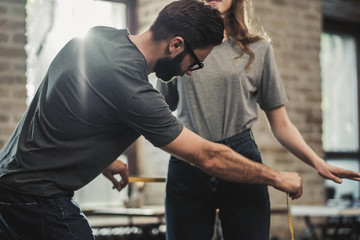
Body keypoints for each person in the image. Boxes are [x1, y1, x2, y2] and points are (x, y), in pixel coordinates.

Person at [0, 0, 305, 239]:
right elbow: (207, 156)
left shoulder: (97, 37)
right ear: (176, 45)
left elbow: (66, 103)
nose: (189, 72)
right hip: (36, 198)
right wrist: (277, 177)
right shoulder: (135, 91)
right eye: (195, 63)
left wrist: (104, 160)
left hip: (9, 184)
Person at [156, 0, 360, 240]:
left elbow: (281, 123)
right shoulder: (179, 45)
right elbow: (156, 109)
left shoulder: (258, 48)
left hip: (242, 161)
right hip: (189, 162)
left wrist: (317, 162)